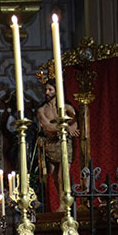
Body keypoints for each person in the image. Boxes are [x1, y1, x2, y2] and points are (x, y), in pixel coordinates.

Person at [36, 79, 80, 211]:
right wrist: (66, 127)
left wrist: (73, 127)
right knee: (55, 176)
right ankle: (64, 200)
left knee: (62, 175)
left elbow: (78, 119)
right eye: (46, 90)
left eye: (50, 89)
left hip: (64, 143)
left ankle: (64, 204)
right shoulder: (42, 110)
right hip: (50, 145)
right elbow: (47, 126)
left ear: (57, 90)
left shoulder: (66, 107)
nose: (47, 92)